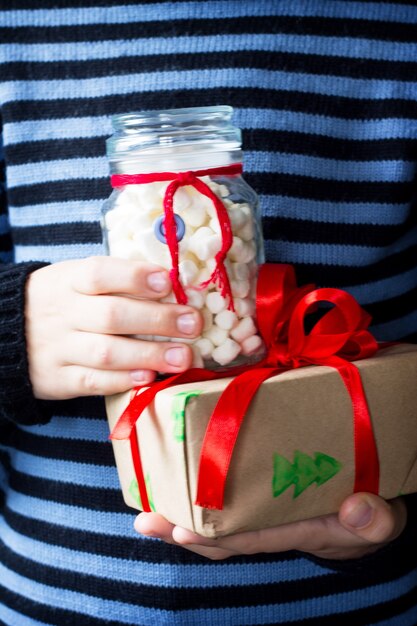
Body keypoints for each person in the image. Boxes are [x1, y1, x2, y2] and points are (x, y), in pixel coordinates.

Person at [1, 1, 416, 625]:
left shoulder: (392, 28)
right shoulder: (16, 26)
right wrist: (11, 332)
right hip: (52, 597)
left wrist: (397, 527)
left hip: (339, 605)